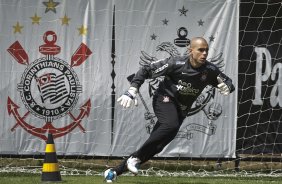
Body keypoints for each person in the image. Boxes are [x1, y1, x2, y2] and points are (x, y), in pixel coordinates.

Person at [104, 37, 235, 182]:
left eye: (206, 50)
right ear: (190, 50)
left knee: (159, 144)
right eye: (200, 50)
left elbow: (228, 82)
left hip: (182, 110)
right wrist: (132, 90)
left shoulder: (210, 70)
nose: (204, 53)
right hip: (164, 99)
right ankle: (135, 158)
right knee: (170, 125)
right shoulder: (176, 63)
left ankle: (114, 172)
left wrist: (228, 86)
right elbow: (146, 69)